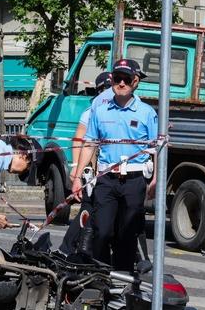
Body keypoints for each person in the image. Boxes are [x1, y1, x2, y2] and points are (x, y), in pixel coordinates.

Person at [79, 58, 157, 271]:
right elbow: (89, 144)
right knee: (102, 231)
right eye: (117, 78)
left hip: (134, 179)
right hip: (106, 178)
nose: (121, 83)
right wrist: (77, 176)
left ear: (135, 82)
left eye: (126, 79)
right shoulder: (100, 111)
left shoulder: (147, 113)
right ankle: (101, 274)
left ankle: (123, 278)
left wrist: (156, 179)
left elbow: (156, 148)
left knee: (127, 233)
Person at [58, 71, 113, 257]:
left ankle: (87, 250)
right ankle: (69, 249)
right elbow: (79, 140)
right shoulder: (92, 111)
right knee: (88, 208)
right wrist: (76, 170)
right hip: (95, 171)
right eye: (104, 89)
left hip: (111, 171)